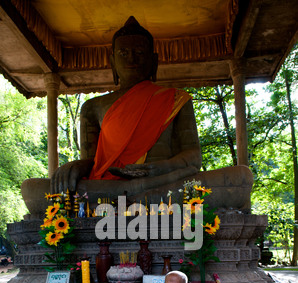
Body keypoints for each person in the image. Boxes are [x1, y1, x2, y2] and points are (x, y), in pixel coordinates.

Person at [21, 16, 253, 215]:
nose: (131, 59)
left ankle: (133, 199)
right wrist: (75, 167)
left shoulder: (176, 99)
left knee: (240, 177)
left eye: (139, 52)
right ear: (112, 61)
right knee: (33, 189)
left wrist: (159, 169)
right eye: (123, 53)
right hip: (112, 186)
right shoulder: (94, 107)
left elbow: (193, 158)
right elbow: (93, 162)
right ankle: (139, 198)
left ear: (154, 61)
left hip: (167, 182)